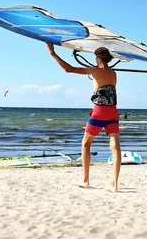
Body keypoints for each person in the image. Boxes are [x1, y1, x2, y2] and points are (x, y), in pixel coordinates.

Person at [47, 43, 121, 192]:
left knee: (86, 144)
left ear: (98, 58)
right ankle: (114, 184)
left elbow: (69, 69)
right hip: (113, 111)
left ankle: (86, 180)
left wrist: (53, 54)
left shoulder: (95, 70)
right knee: (115, 146)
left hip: (99, 111)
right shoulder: (113, 73)